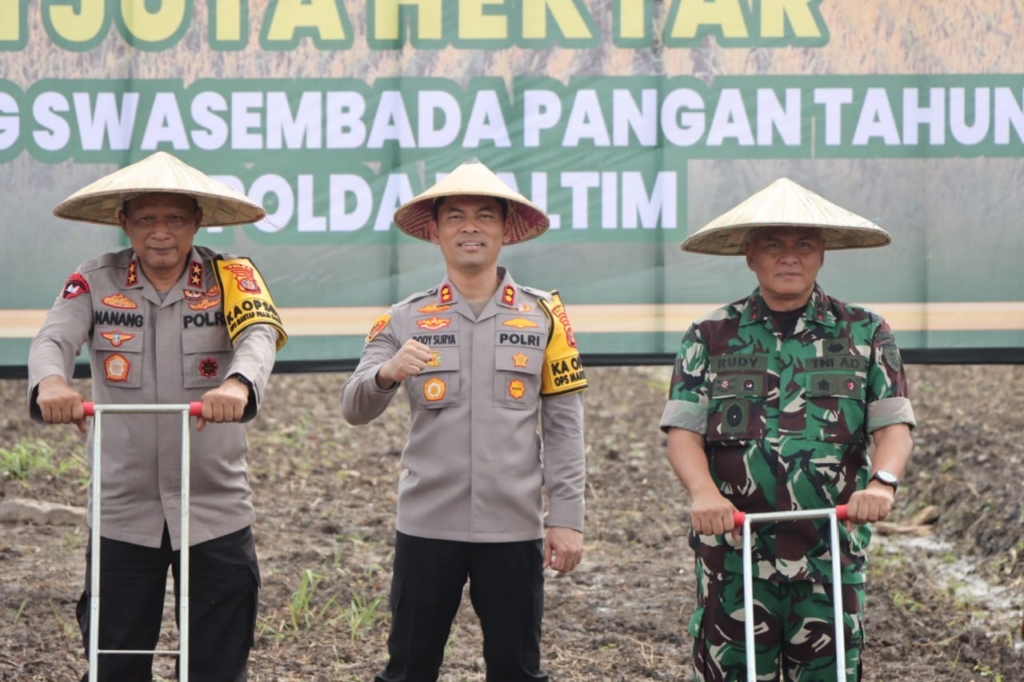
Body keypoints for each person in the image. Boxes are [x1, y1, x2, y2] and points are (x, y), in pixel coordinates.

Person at [28, 151, 287, 682]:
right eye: (146, 219)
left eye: (174, 219)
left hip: (215, 505)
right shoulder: (94, 279)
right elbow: (54, 338)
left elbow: (258, 338)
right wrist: (52, 382)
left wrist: (237, 384)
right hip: (124, 509)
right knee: (114, 664)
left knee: (218, 667)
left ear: (197, 222)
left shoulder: (232, 276)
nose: (161, 233)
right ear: (125, 223)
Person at [340, 158, 588, 682]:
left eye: (483, 216)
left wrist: (566, 518)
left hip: (513, 528)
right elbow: (353, 407)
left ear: (504, 231)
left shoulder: (546, 316)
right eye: (455, 216)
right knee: (409, 667)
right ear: (435, 232)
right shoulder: (404, 317)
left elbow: (565, 426)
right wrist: (386, 373)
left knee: (517, 668)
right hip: (427, 527)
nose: (469, 227)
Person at [659, 178, 916, 681]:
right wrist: (703, 493)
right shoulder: (710, 335)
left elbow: (893, 426)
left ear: (822, 254)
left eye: (804, 244)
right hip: (733, 557)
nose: (789, 257)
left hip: (828, 555)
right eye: (773, 244)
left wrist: (881, 483)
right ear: (749, 255)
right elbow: (683, 431)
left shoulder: (865, 332)